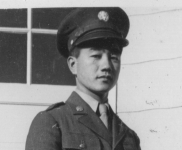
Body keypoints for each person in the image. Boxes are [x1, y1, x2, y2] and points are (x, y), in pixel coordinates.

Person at [25, 7, 141, 150]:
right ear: (73, 65)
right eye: (96, 56)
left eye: (114, 57)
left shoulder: (129, 136)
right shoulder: (53, 122)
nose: (106, 65)